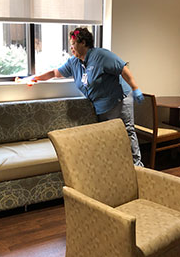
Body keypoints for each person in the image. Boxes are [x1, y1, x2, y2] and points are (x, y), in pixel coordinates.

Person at [33, 27, 144, 166]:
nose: (71, 47)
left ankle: (137, 166)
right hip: (101, 107)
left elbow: (123, 69)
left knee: (126, 133)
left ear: (83, 43)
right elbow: (55, 73)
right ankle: (117, 167)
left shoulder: (101, 55)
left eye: (73, 44)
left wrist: (135, 88)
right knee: (109, 137)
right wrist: (35, 78)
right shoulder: (74, 63)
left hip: (119, 100)